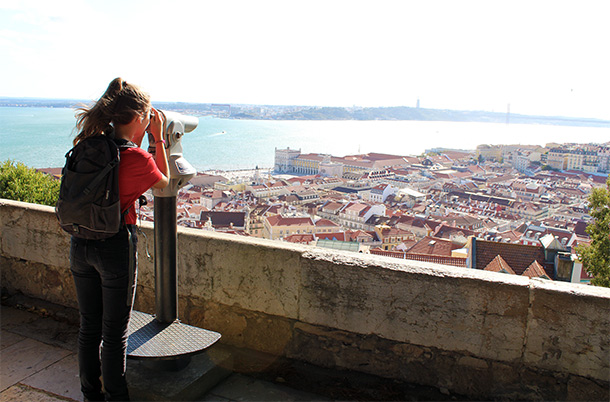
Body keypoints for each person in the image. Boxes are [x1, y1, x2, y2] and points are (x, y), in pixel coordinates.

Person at [69, 78, 169, 401]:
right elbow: (164, 184)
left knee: (88, 328)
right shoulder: (138, 159)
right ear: (140, 117)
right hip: (114, 248)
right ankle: (116, 397)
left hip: (79, 244)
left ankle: (90, 395)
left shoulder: (90, 145)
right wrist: (158, 138)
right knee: (114, 336)